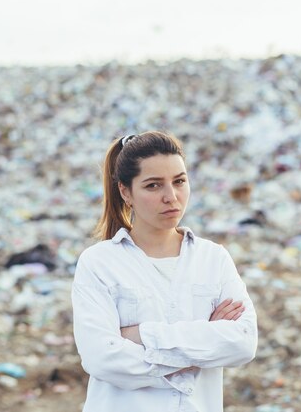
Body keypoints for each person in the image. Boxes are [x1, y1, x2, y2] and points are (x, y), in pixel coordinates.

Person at [71, 131, 258, 412]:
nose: (171, 197)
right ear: (126, 192)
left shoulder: (213, 258)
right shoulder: (99, 263)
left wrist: (140, 336)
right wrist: (204, 343)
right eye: (153, 186)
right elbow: (102, 359)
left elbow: (243, 343)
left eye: (179, 181)